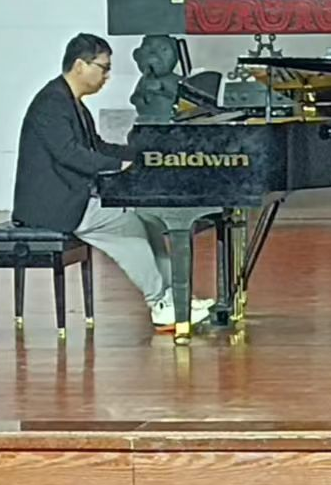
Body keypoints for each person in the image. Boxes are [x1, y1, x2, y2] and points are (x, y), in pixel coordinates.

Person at [12, 33, 211, 330]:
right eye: (103, 68)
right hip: (53, 205)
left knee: (148, 219)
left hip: (73, 195)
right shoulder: (52, 103)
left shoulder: (73, 103)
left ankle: (177, 297)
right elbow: (70, 154)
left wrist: (142, 155)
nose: (107, 76)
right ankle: (158, 302)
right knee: (128, 224)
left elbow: (98, 146)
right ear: (80, 65)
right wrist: (120, 165)